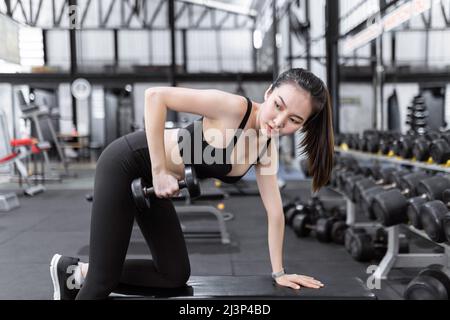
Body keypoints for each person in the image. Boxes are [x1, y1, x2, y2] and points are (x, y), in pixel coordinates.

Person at [49, 68, 334, 300]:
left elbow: (274, 213)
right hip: (126, 161)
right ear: (269, 92)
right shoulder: (234, 108)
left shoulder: (265, 149)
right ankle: (93, 275)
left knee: (173, 276)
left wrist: (279, 273)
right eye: (278, 106)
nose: (280, 121)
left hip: (150, 180)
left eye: (294, 119)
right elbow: (155, 96)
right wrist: (160, 171)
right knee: (103, 282)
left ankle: (76, 271)